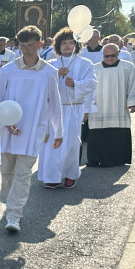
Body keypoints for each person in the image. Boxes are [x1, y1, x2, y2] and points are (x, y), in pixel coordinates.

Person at [0, 26, 63, 233]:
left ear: (40, 45)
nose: (26, 50)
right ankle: (12, 205)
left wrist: (58, 131)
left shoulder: (49, 73)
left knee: (23, 174)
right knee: (7, 172)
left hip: (33, 130)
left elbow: (54, 104)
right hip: (7, 130)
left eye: (31, 45)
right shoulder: (8, 71)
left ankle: (14, 215)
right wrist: (6, 122)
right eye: (22, 46)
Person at [38, 27, 97, 189]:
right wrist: (55, 75)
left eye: (71, 43)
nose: (67, 46)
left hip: (74, 109)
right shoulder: (49, 64)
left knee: (71, 143)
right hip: (53, 111)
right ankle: (51, 177)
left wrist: (75, 84)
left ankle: (70, 175)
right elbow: (39, 84)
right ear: (58, 45)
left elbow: (92, 83)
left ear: (77, 45)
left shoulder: (86, 64)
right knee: (52, 144)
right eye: (64, 43)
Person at [86, 45, 135, 167]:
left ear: (118, 54)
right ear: (103, 55)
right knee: (97, 133)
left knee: (117, 134)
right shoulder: (94, 69)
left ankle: (117, 160)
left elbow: (133, 84)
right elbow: (88, 88)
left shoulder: (127, 67)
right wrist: (87, 107)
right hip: (99, 108)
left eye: (113, 55)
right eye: (107, 56)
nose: (110, 58)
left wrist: (133, 102)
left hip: (119, 107)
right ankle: (95, 159)